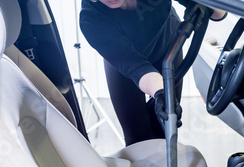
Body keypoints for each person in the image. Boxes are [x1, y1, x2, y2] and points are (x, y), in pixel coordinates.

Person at [80, 0, 226, 146]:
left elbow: (219, 12)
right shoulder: (91, 18)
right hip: (125, 65)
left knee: (165, 129)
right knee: (137, 139)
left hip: (168, 48)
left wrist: (207, 6)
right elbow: (136, 66)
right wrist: (160, 92)